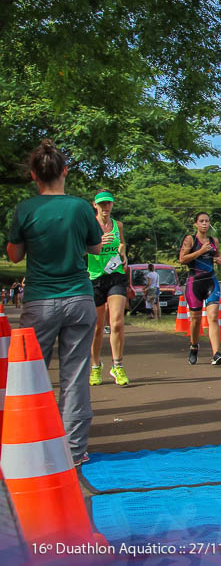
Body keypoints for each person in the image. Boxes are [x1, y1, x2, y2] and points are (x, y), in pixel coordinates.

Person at [6, 139, 104, 465]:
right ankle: (74, 451)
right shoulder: (79, 207)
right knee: (75, 376)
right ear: (65, 171)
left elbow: (15, 254)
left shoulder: (25, 209)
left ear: (34, 175)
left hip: (39, 300)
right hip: (78, 297)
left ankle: (32, 448)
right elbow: (94, 248)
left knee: (31, 376)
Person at [88, 191, 130, 387]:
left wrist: (123, 254)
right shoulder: (88, 225)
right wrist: (95, 245)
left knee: (116, 323)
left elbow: (121, 243)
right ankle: (95, 367)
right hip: (95, 278)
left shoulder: (117, 225)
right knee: (96, 328)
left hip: (116, 275)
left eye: (109, 204)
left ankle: (118, 365)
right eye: (102, 204)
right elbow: (78, 247)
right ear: (95, 205)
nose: (105, 208)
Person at [178, 212, 221, 366]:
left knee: (213, 317)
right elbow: (182, 259)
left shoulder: (214, 241)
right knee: (196, 320)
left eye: (207, 221)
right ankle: (194, 346)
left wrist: (219, 260)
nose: (205, 223)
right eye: (201, 221)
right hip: (194, 282)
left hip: (211, 281)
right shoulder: (190, 239)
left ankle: (216, 354)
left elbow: (219, 257)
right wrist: (200, 251)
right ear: (196, 224)